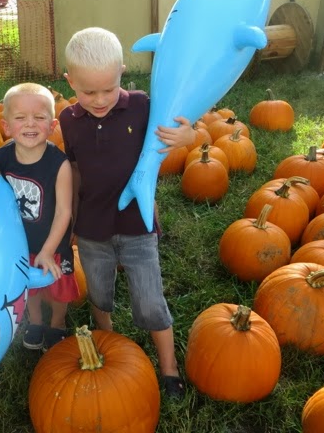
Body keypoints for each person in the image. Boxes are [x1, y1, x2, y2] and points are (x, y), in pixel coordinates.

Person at [59, 27, 195, 398]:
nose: (99, 100)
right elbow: (74, 169)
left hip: (137, 223)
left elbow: (182, 127)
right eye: (88, 92)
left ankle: (169, 367)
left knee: (150, 299)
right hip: (92, 227)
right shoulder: (68, 120)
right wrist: (71, 219)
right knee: (99, 293)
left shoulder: (142, 106)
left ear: (122, 72)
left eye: (108, 89)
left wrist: (190, 137)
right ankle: (109, 343)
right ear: (70, 82)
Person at [0, 82, 79, 351]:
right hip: (20, 243)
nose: (30, 124)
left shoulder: (59, 164)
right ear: (6, 126)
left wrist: (48, 250)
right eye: (20, 117)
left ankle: (57, 323)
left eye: (39, 117)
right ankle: (36, 321)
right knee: (29, 286)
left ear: (52, 126)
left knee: (58, 288)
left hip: (54, 243)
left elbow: (64, 211)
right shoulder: (1, 159)